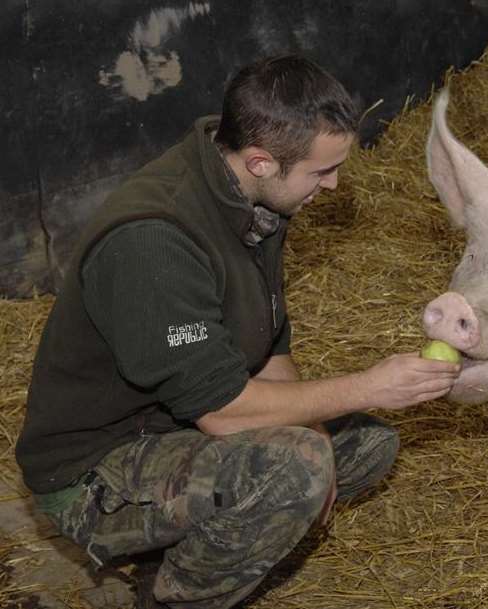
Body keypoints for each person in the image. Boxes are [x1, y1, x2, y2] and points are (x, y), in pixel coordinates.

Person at [15, 54, 460, 609]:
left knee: (366, 445)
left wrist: (319, 435)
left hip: (173, 423)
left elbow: (270, 344)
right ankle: (177, 598)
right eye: (322, 172)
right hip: (95, 467)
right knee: (293, 471)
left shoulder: (252, 202)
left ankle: (180, 550)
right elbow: (222, 412)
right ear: (259, 161)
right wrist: (369, 388)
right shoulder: (155, 243)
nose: (335, 184)